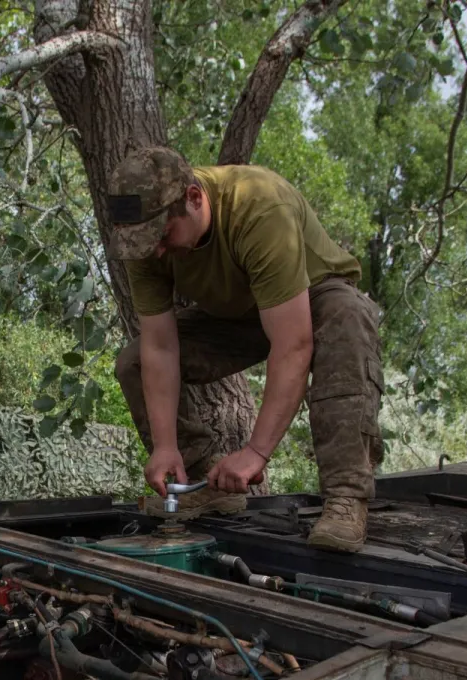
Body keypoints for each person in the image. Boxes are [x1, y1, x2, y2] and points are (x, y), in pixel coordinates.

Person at [106, 145, 385, 552]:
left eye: (163, 237)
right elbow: (160, 348)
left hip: (311, 298)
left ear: (194, 198)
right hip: (238, 316)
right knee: (132, 361)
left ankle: (346, 498)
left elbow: (293, 343)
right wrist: (165, 446)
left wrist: (255, 452)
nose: (156, 251)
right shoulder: (146, 238)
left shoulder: (258, 206)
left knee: (347, 315)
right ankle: (204, 483)